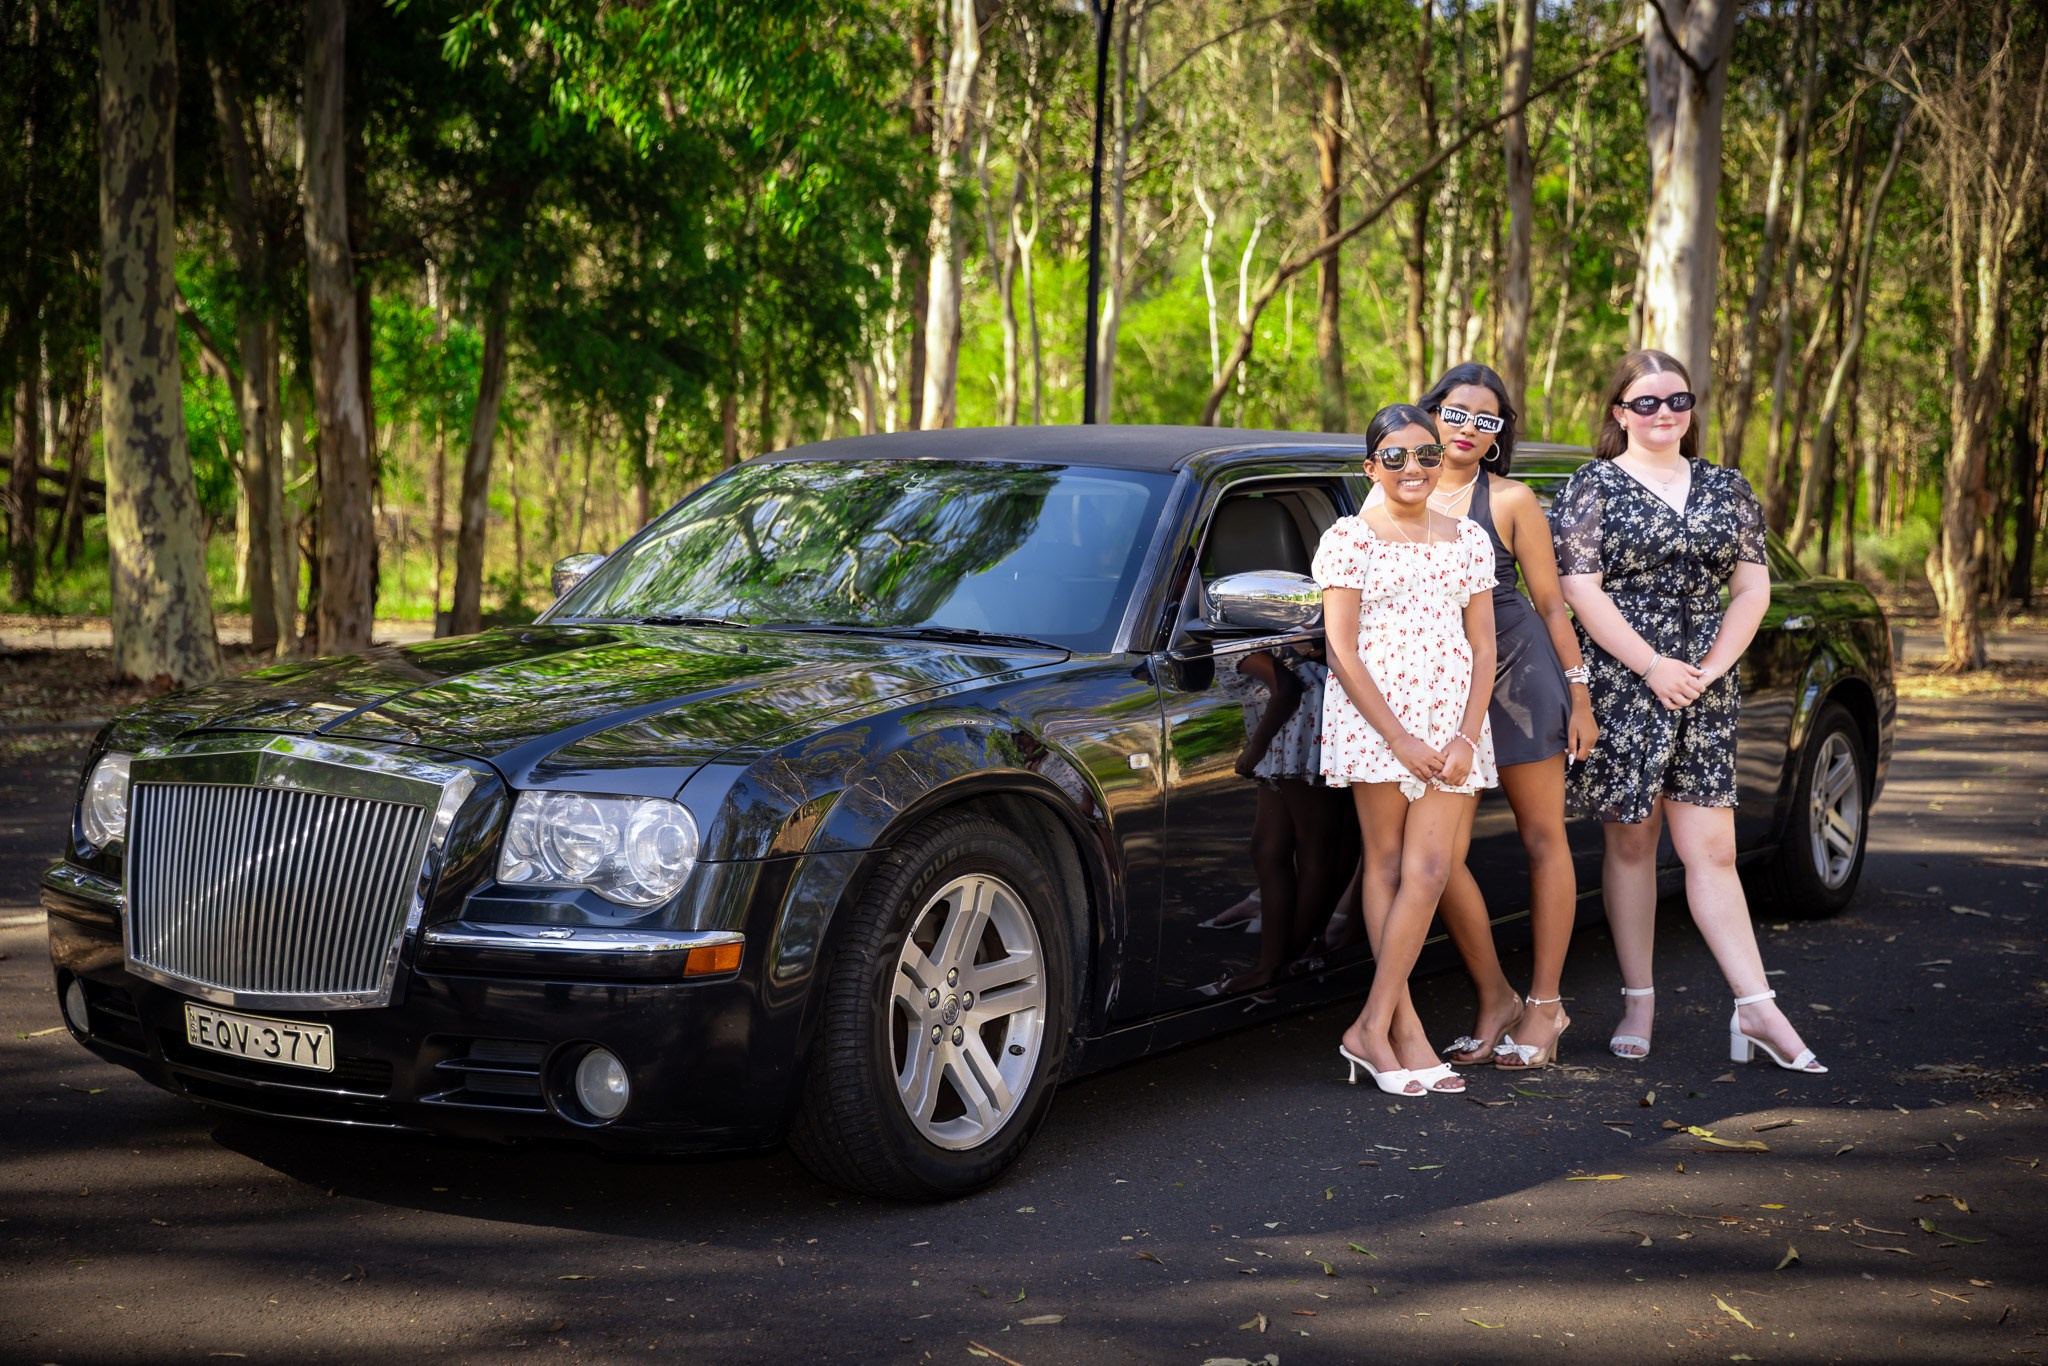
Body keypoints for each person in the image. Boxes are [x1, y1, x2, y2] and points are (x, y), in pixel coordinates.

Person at [1551, 349, 1826, 1074]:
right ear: (1619, 413)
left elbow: (1752, 590)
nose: (1664, 413)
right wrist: (1652, 665)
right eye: (1645, 403)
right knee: (1634, 842)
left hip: (1705, 684)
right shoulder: (1593, 487)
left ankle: (1756, 1005)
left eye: (1677, 400)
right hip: (1625, 681)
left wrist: (1707, 669)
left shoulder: (1728, 488)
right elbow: (1580, 589)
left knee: (1714, 850)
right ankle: (1638, 997)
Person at [1397, 363, 1596, 1070]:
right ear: (1433, 414)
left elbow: (1551, 605)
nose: (1468, 430)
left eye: (1487, 420)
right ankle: (1495, 996)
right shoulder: (1398, 488)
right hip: (1438, 690)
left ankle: (1546, 1005)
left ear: (1498, 434)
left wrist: (1578, 695)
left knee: (1543, 838)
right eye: (1457, 413)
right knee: (1439, 859)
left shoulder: (1510, 500)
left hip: (1518, 677)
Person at [1316, 404, 1499, 1096]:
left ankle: (1371, 1024)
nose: (1412, 468)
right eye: (1394, 458)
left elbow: (1484, 645)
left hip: (1452, 724)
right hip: (1379, 723)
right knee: (1388, 864)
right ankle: (1406, 1031)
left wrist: (1463, 734)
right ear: (1371, 468)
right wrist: (1399, 737)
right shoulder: (1349, 539)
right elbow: (1340, 648)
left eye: (1424, 455)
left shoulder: (1469, 539)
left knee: (1429, 870)